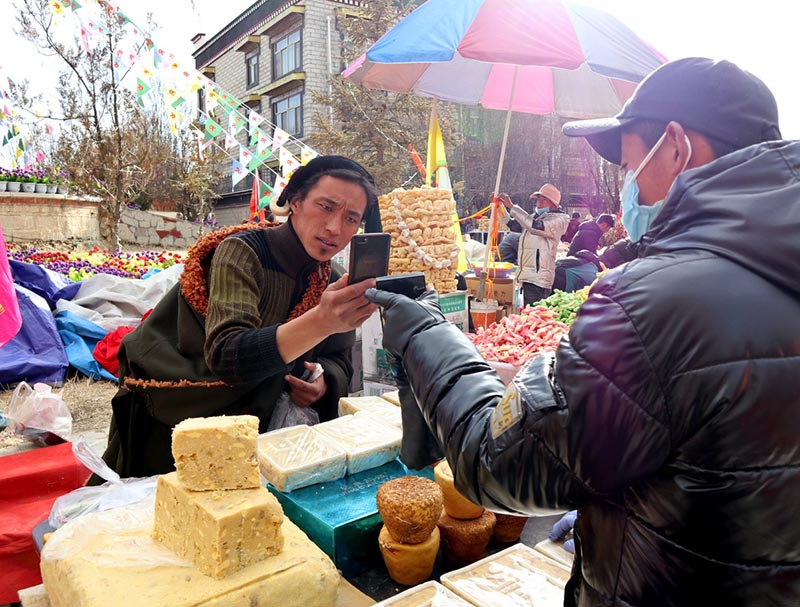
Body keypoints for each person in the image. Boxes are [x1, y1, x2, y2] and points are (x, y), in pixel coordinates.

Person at [366, 57, 799, 606]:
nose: (626, 185)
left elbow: (493, 461)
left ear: (676, 147)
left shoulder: (655, 300)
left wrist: (425, 332)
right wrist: (640, 504)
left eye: (627, 164)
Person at [94, 156, 379, 481]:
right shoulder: (242, 253)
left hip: (267, 436)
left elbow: (339, 360)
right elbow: (228, 355)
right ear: (296, 200)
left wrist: (323, 386)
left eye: (350, 218)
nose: (334, 228)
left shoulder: (333, 278)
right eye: (326, 207)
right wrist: (321, 322)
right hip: (185, 416)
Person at [497, 183, 569, 306]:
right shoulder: (533, 218)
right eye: (538, 200)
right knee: (528, 312)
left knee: (534, 313)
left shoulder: (560, 219)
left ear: (553, 204)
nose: (539, 203)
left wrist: (512, 206)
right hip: (527, 276)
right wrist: (500, 207)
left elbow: (535, 227)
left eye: (543, 200)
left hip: (539, 278)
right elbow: (513, 225)